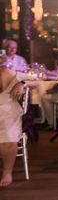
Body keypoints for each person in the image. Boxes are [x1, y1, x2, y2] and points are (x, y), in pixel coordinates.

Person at [0, 55, 25, 187]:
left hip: (6, 111)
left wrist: (20, 84)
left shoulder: (3, 72)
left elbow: (31, 78)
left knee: (7, 138)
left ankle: (7, 171)